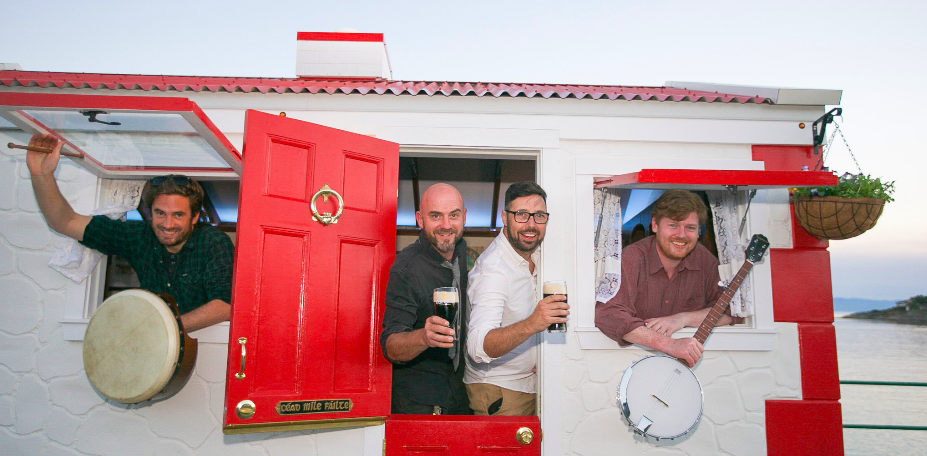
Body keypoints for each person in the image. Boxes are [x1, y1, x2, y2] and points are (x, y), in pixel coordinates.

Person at [25, 134, 233, 332]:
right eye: (160, 213)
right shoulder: (139, 236)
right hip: (154, 347)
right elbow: (65, 222)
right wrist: (41, 174)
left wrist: (163, 328)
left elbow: (225, 306)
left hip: (206, 347)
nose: (167, 224)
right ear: (149, 211)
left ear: (194, 217)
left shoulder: (213, 241)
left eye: (178, 215)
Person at [594, 189, 740, 367]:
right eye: (673, 225)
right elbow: (608, 314)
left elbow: (731, 310)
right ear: (655, 225)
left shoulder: (706, 261)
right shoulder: (632, 258)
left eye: (690, 228)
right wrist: (669, 344)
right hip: (628, 366)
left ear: (698, 232)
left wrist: (682, 319)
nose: (681, 234)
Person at [464, 181, 568, 416]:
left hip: (531, 384)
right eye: (521, 215)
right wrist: (533, 323)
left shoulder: (538, 253)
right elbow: (477, 347)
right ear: (505, 217)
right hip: (499, 390)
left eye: (539, 215)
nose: (531, 224)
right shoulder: (493, 271)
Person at [380, 183, 471, 415]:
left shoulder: (460, 251)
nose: (446, 225)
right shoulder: (406, 268)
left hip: (460, 393)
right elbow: (390, 345)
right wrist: (424, 336)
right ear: (420, 219)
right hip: (420, 401)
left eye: (454, 215)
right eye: (435, 216)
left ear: (464, 216)